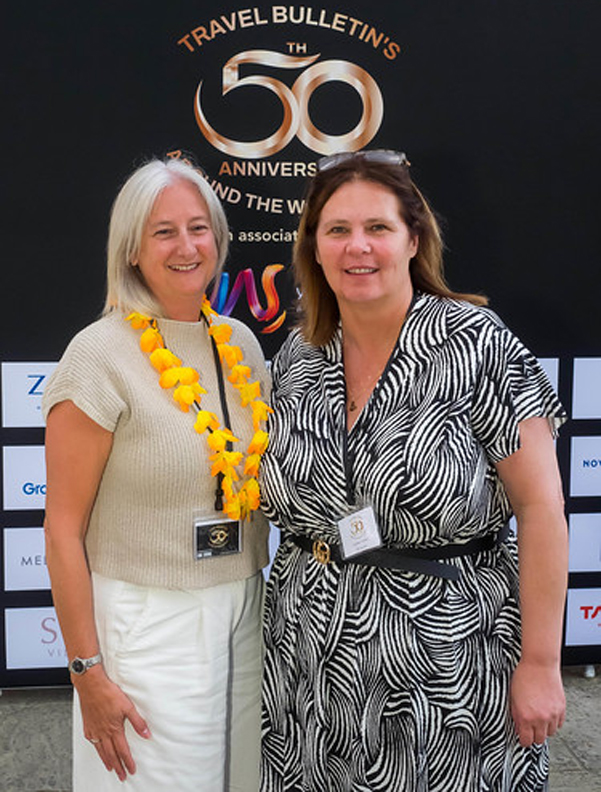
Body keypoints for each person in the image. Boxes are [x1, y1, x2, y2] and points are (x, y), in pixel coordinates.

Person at [259, 150, 568, 791]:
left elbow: (540, 508)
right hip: (307, 657)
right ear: (314, 248)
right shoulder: (299, 354)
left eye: (378, 227)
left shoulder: (476, 344)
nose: (357, 247)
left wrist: (541, 662)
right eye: (337, 230)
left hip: (447, 665)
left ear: (413, 239)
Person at [43, 157, 271, 791]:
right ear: (131, 250)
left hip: (245, 607)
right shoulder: (98, 354)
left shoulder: (242, 344)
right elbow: (61, 531)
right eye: (163, 232)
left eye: (198, 228)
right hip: (147, 621)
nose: (186, 246)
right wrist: (87, 671)